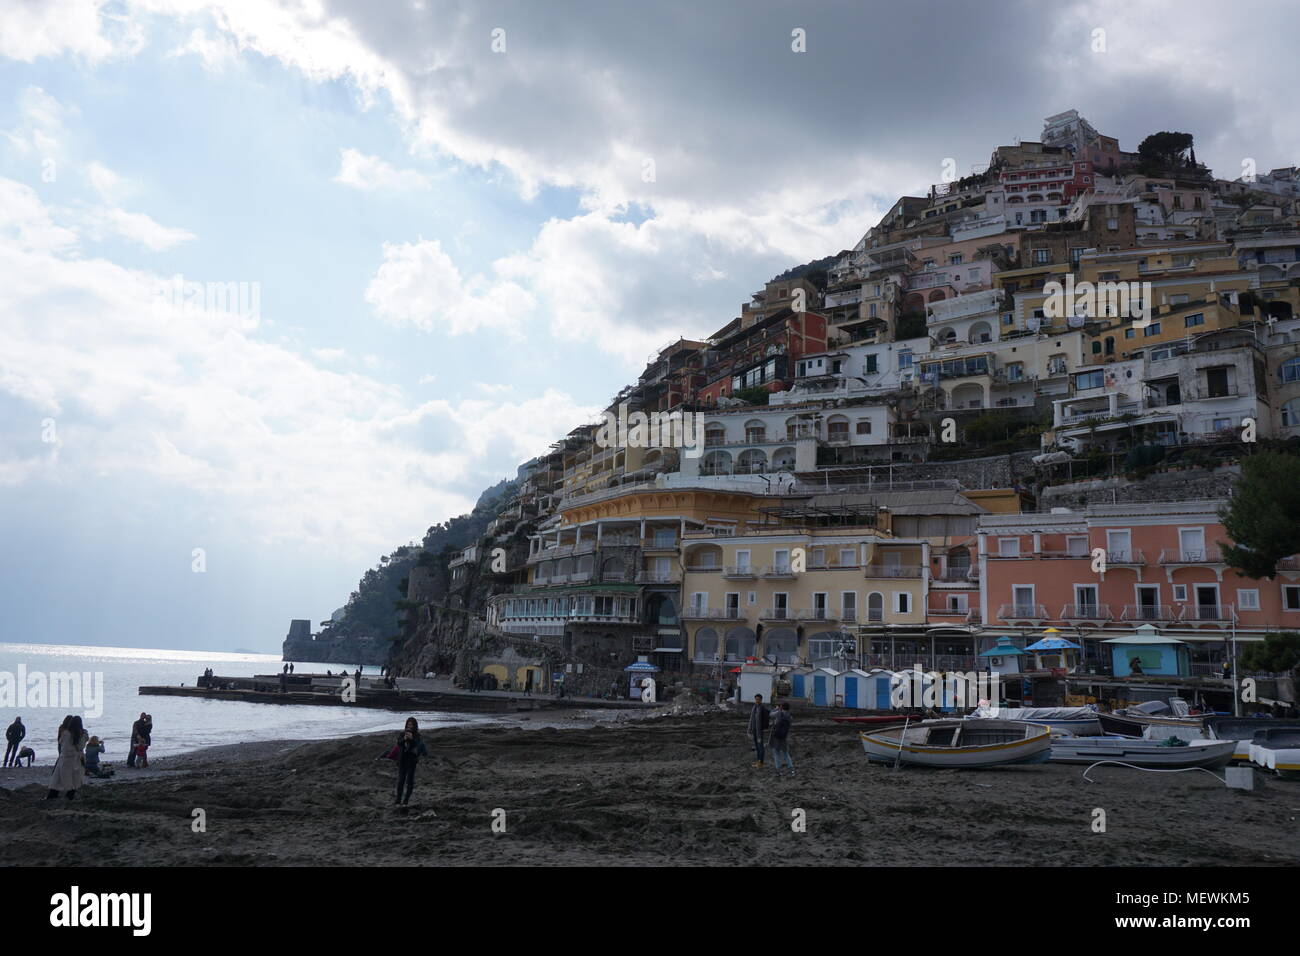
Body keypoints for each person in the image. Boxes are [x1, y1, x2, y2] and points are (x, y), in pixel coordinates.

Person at [46, 715, 88, 801]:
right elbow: (82, 746)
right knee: (74, 777)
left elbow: (61, 744)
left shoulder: (66, 733)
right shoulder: (83, 733)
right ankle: (69, 795)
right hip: (77, 758)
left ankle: (54, 794)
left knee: (58, 778)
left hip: (66, 758)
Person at [390, 717, 428, 806]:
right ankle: (398, 800)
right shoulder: (402, 734)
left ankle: (406, 800)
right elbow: (399, 744)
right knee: (401, 780)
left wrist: (411, 739)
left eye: (411, 724)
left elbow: (417, 747)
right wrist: (404, 739)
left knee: (409, 781)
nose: (409, 726)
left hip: (412, 761)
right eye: (408, 724)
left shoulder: (417, 736)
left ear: (415, 726)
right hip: (402, 760)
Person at [769, 702, 795, 776]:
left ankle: (778, 771)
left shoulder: (779, 713)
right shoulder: (790, 716)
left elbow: (770, 714)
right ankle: (791, 770)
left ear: (781, 707)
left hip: (776, 736)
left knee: (776, 753)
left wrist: (777, 708)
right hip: (784, 737)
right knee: (786, 754)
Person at [747, 693, 770, 767]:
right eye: (756, 699)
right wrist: (749, 730)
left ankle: (761, 762)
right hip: (754, 731)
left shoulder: (762, 708)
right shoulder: (754, 707)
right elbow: (751, 719)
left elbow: (764, 720)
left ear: (761, 700)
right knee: (757, 747)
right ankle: (758, 761)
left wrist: (760, 735)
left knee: (760, 747)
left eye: (758, 699)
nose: (757, 701)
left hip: (759, 732)